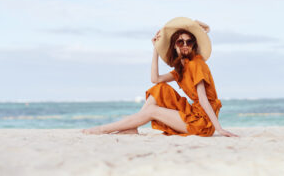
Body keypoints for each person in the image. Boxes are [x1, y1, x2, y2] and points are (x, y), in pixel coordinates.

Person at [82, 17, 239, 137]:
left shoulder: (196, 64)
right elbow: (155, 79)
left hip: (202, 123)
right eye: (180, 42)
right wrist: (156, 50)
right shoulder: (181, 69)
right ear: (174, 46)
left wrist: (218, 128)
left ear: (193, 45)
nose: (185, 45)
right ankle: (131, 128)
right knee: (159, 89)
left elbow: (203, 99)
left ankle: (103, 129)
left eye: (189, 42)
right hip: (194, 113)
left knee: (152, 111)